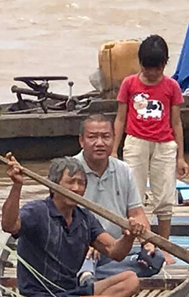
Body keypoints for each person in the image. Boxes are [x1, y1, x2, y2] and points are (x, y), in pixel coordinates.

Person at [1, 153, 144, 297]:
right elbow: (9, 225)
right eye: (70, 182)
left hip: (72, 292)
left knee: (131, 279)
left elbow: (116, 252)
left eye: (81, 183)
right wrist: (17, 186)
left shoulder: (84, 217)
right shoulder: (37, 211)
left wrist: (129, 236)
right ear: (53, 186)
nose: (76, 188)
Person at [74, 114, 173, 283]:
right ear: (82, 141)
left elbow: (136, 212)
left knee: (154, 260)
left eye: (105, 137)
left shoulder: (123, 170)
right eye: (92, 137)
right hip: (85, 249)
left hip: (118, 248)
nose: (99, 143)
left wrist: (147, 242)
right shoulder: (70, 170)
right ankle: (91, 277)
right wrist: (84, 244)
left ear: (113, 139)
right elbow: (61, 218)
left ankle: (99, 276)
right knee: (83, 259)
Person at [112, 34, 189, 248]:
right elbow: (120, 118)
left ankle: (164, 246)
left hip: (164, 145)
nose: (153, 73)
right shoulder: (129, 84)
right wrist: (113, 149)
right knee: (132, 194)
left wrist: (180, 157)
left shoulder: (172, 87)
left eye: (158, 68)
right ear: (140, 63)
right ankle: (135, 243)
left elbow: (176, 123)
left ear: (165, 64)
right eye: (148, 68)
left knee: (164, 198)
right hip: (136, 142)